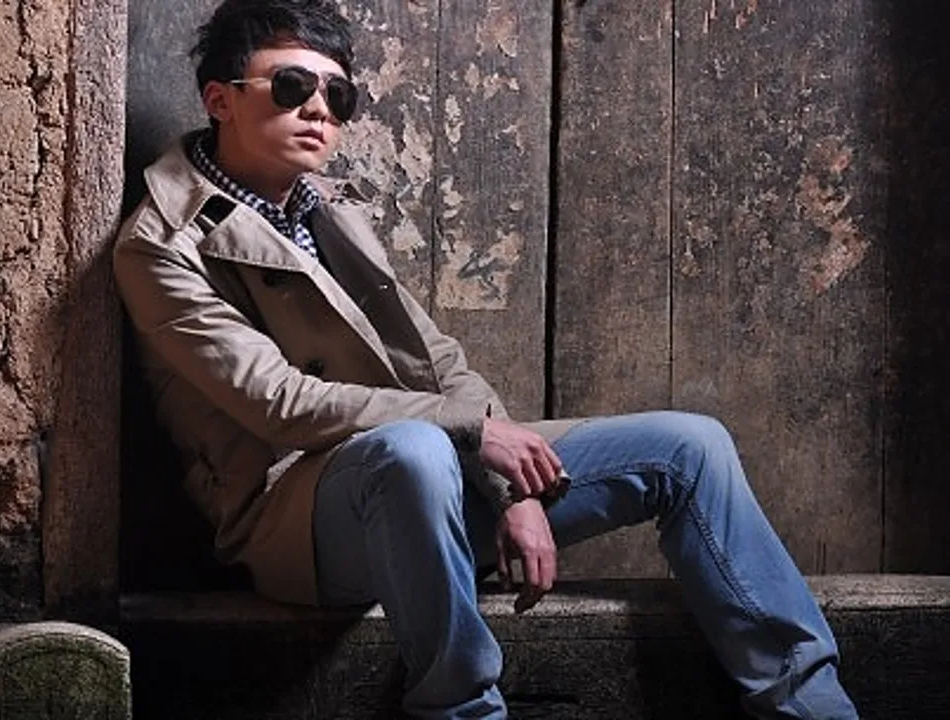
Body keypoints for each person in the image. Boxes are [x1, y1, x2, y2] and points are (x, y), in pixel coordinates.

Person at [113, 1, 859, 717]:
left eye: (338, 96)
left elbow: (434, 360)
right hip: (294, 523)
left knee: (690, 448)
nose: (318, 110)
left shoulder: (324, 208)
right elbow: (280, 403)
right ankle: (461, 709)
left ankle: (811, 706)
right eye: (290, 85)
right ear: (220, 99)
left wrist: (509, 488)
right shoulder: (160, 246)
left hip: (429, 478)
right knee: (412, 452)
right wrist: (472, 432)